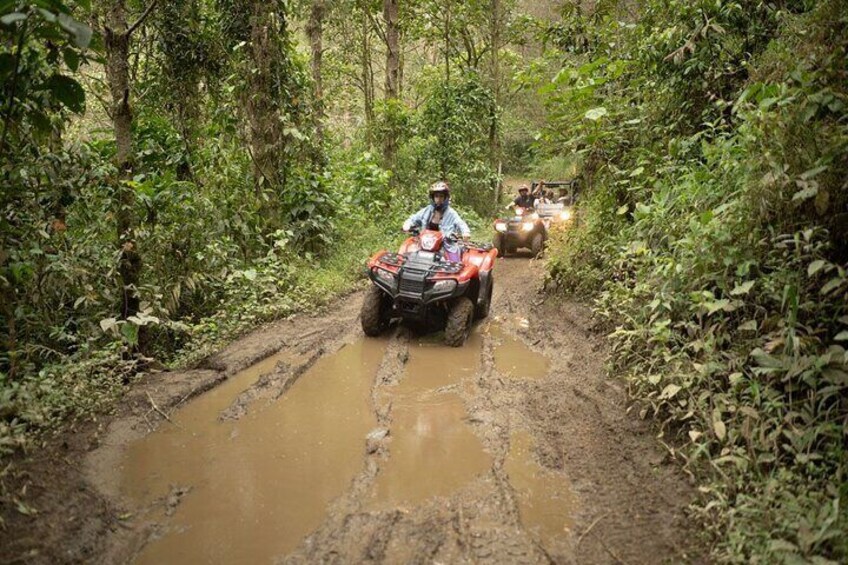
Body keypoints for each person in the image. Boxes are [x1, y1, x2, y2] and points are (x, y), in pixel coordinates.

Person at [403, 181, 471, 262]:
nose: (438, 199)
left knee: (455, 263)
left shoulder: (451, 213)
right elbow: (414, 218)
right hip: (425, 242)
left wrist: (465, 232)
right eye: (436, 196)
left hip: (445, 244)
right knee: (407, 255)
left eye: (441, 196)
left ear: (446, 197)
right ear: (433, 198)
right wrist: (408, 224)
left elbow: (460, 223)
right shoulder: (427, 210)